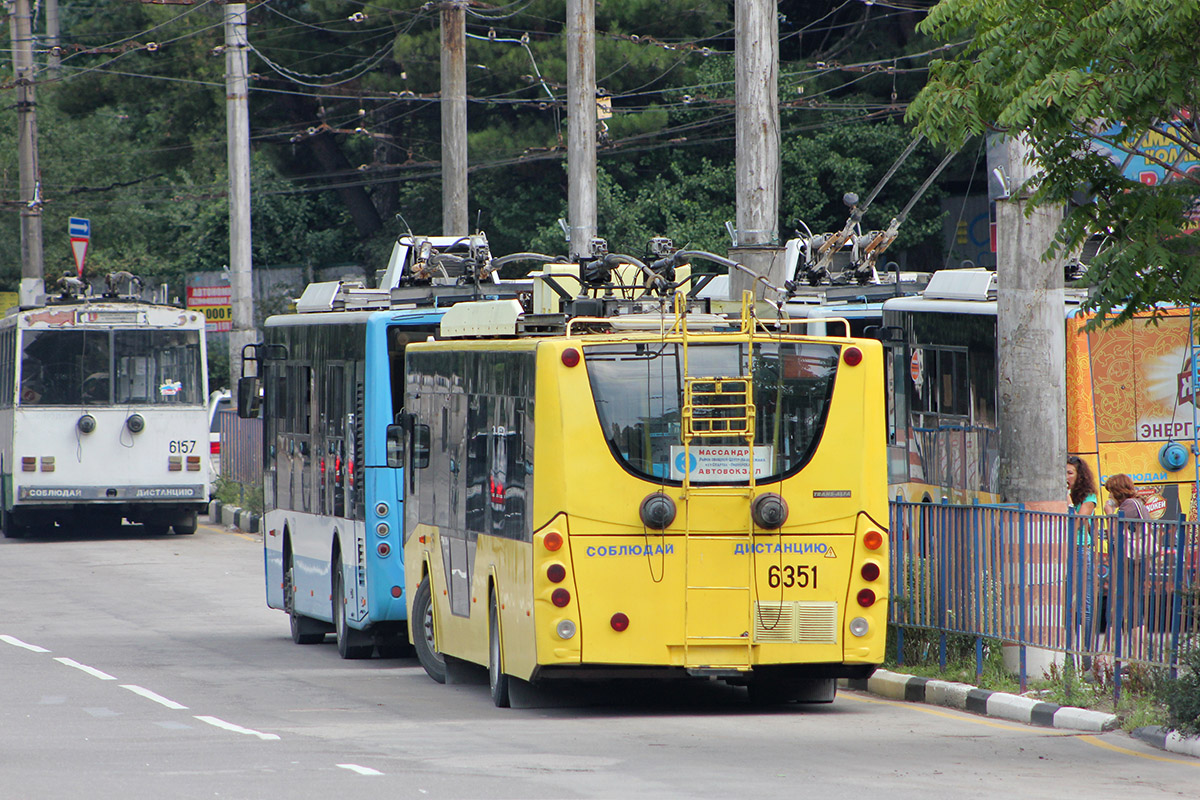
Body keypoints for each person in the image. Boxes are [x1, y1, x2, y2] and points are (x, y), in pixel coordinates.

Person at [1103, 473, 1152, 661]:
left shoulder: (1129, 506)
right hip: (1136, 561)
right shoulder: (1136, 503)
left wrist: (1110, 515)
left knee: (1128, 607)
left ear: (1117, 492)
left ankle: (1133, 656)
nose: (1109, 497)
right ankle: (1122, 654)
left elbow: (1115, 534)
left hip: (1132, 562)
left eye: (1110, 493)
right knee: (1128, 606)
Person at [1066, 455, 1099, 658]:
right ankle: (1068, 650)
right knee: (1065, 601)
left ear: (1079, 476)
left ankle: (1086, 652)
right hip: (1063, 549)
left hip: (1081, 549)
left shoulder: (1088, 497)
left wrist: (1068, 499)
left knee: (1084, 604)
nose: (1066, 477)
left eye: (1069, 473)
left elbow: (1076, 523)